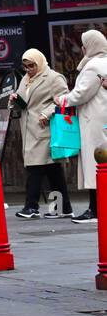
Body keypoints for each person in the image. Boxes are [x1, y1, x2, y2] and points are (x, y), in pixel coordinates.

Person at [53, 29, 107, 224]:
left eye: (84, 44)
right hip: (103, 119)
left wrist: (61, 99)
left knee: (95, 165)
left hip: (93, 120)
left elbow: (81, 94)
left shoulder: (93, 66)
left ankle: (95, 209)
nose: (82, 48)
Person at [11, 49, 71, 219]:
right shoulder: (26, 79)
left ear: (40, 62)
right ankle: (63, 208)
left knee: (35, 169)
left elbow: (64, 99)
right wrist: (15, 101)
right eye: (25, 66)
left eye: (32, 65)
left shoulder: (53, 77)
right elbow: (25, 104)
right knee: (53, 170)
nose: (28, 69)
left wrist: (47, 112)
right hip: (29, 130)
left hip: (45, 129)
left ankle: (31, 207)